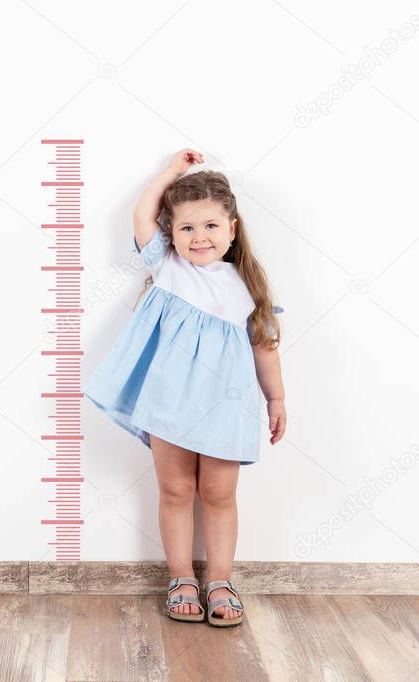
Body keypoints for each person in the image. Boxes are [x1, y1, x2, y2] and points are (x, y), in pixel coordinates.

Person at [82, 148, 287, 627]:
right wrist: (170, 172)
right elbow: (140, 214)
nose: (199, 237)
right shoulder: (168, 268)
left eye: (211, 226)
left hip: (225, 407)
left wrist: (276, 398)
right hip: (170, 402)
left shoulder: (247, 288)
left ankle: (219, 580)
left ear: (232, 230)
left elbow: (265, 348)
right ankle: (180, 578)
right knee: (175, 490)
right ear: (171, 234)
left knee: (218, 494)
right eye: (187, 228)